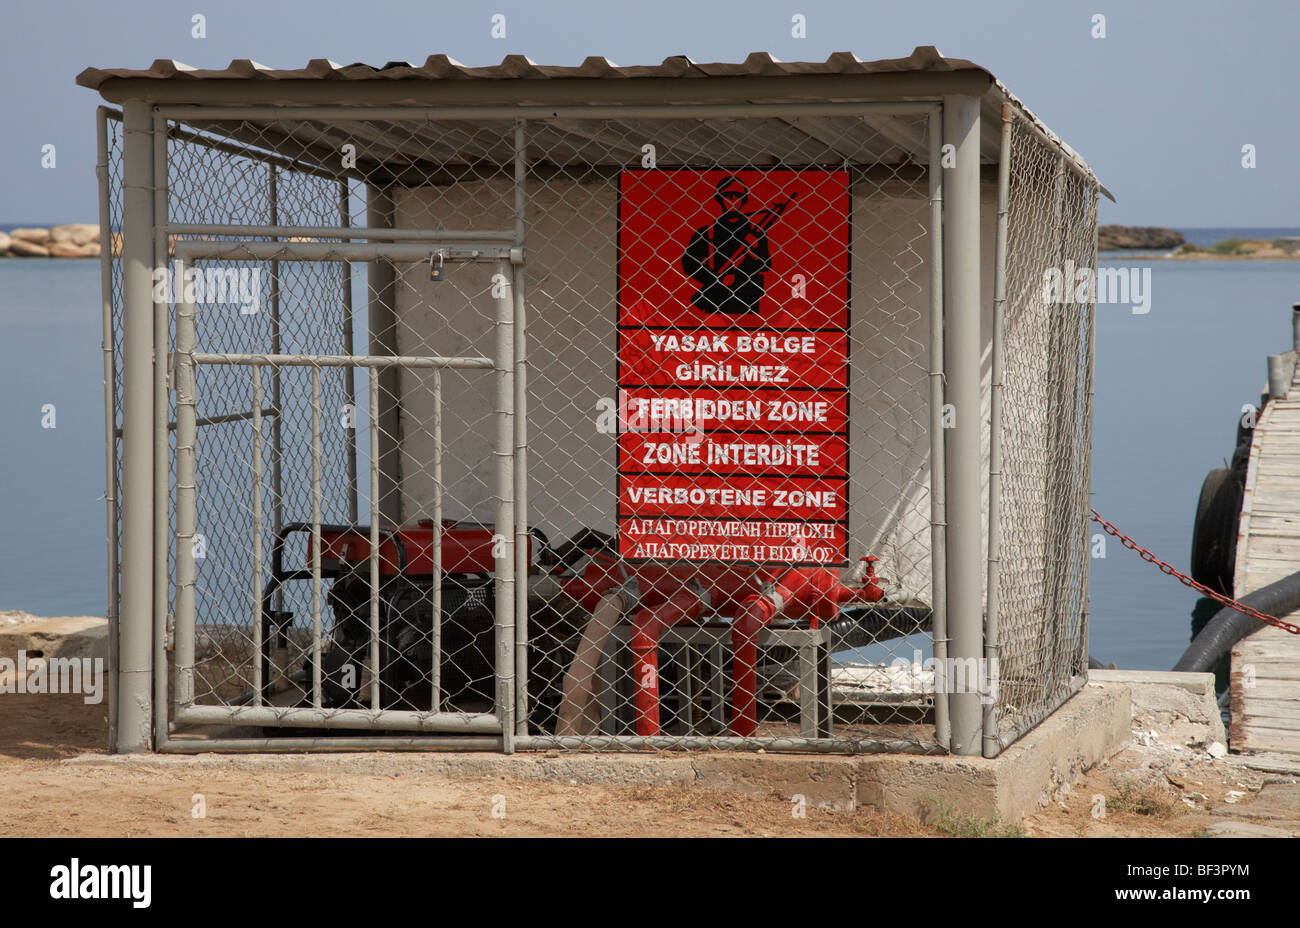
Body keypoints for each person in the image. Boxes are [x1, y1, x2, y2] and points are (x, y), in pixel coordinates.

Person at [681, 176, 772, 315]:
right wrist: (716, 278)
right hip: (716, 296)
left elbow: (766, 264)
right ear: (720, 199)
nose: (733, 201)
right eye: (728, 196)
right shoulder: (707, 232)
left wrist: (739, 271)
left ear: (744, 200)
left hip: (746, 296)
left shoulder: (755, 232)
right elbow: (689, 263)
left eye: (738, 196)